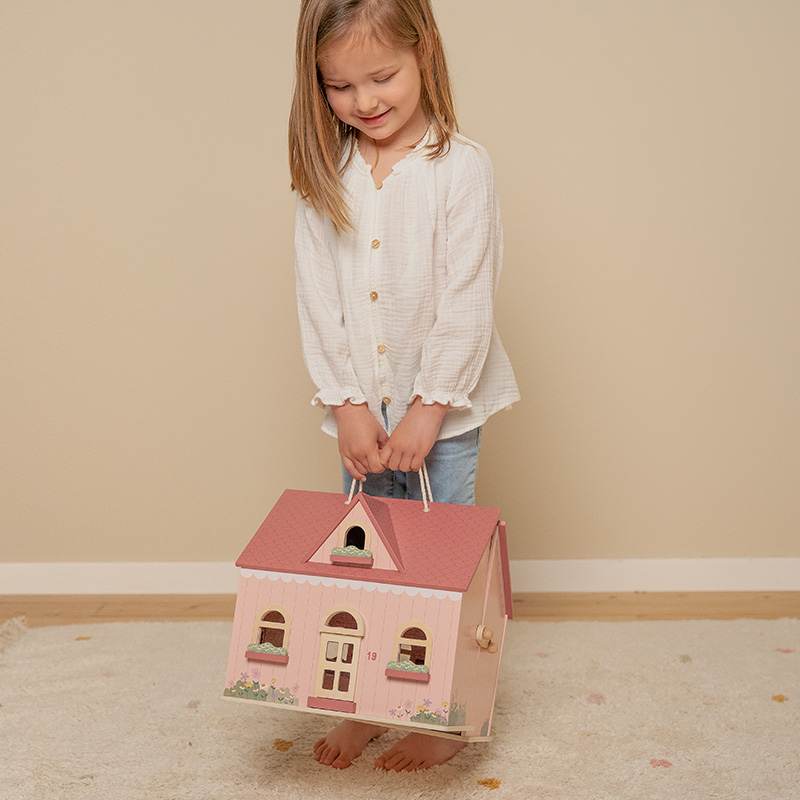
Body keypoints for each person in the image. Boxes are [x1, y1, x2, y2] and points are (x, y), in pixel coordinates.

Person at [289, 0, 519, 771]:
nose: (365, 102)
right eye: (340, 86)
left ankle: (440, 713)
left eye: (382, 76)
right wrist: (348, 404)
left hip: (440, 414)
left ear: (424, 54)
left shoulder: (460, 167)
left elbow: (467, 296)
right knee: (366, 567)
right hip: (363, 411)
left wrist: (430, 406)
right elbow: (318, 295)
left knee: (436, 568)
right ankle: (361, 705)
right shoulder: (330, 173)